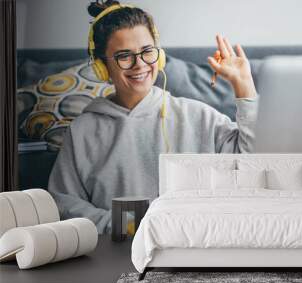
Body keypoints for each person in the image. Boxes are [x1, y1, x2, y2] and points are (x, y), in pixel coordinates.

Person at [48, 0, 259, 234]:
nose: (140, 65)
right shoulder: (82, 131)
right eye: (124, 56)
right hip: (116, 253)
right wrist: (133, 226)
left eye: (147, 52)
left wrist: (244, 85)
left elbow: (254, 163)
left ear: (158, 56)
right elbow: (64, 204)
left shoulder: (199, 115)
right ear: (102, 67)